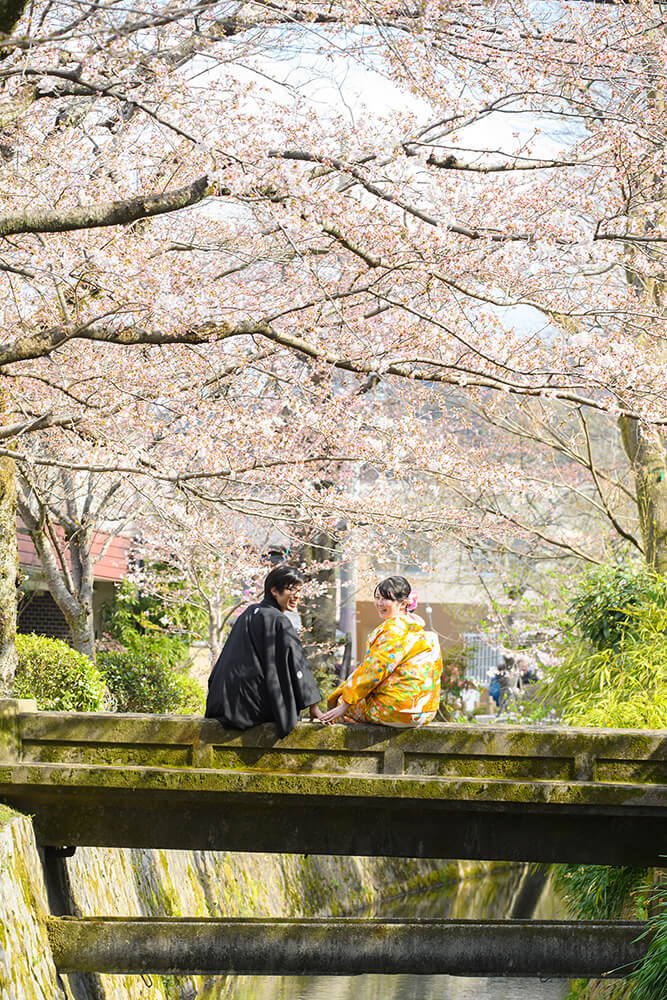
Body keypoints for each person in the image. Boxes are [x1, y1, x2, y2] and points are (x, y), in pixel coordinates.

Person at [205, 565, 324, 737]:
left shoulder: (248, 613)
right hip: (250, 709)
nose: (297, 596)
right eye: (291, 589)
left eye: (299, 590)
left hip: (224, 704)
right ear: (274, 590)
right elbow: (296, 663)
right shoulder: (278, 620)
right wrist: (313, 706)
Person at [321, 576, 442, 727]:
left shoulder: (394, 629)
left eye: (386, 599)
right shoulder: (419, 631)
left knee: (340, 704)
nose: (379, 603)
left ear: (403, 603)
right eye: (377, 598)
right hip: (425, 711)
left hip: (397, 709)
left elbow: (373, 670)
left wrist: (345, 702)